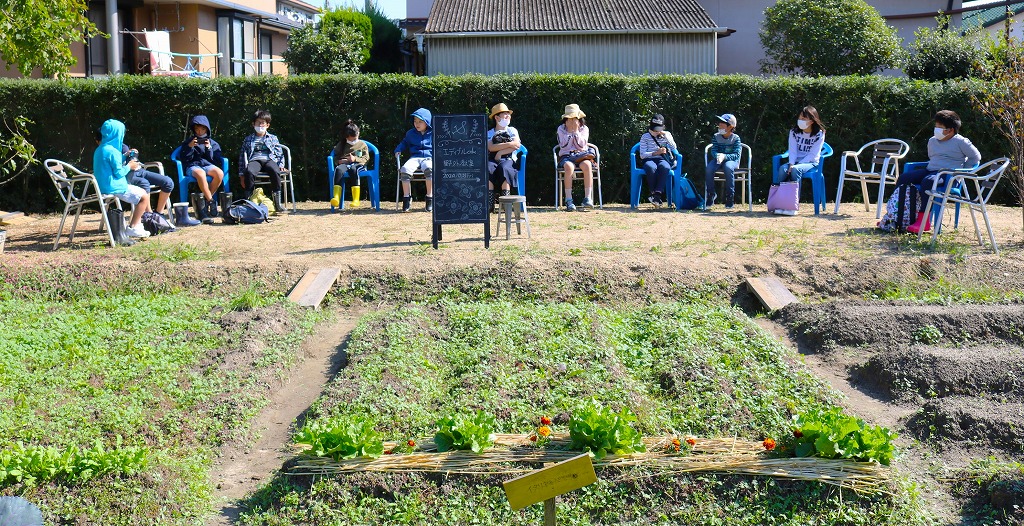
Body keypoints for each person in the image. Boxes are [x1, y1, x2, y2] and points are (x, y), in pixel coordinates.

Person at [94, 130, 175, 216]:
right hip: (126, 176)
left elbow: (131, 159)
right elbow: (116, 171)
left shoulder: (121, 146)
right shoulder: (103, 152)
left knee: (168, 182)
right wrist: (129, 165)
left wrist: (132, 155)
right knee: (144, 183)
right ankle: (149, 215)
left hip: (139, 170)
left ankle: (159, 213)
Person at [93, 119, 151, 241]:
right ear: (117, 134)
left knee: (140, 193)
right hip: (114, 186)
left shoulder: (101, 149)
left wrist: (125, 155)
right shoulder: (112, 151)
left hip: (102, 186)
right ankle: (133, 227)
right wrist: (130, 166)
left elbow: (109, 163)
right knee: (144, 196)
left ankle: (137, 225)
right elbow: (119, 173)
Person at [894, 110, 981, 190]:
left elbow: (975, 157)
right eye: (936, 126)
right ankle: (899, 207)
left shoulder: (961, 142)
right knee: (903, 178)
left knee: (928, 181)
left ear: (950, 130)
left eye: (940, 127)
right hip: (930, 171)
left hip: (948, 176)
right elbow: (932, 157)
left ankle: (926, 207)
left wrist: (960, 171)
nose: (936, 129)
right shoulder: (932, 141)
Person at [179, 115, 224, 224]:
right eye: (197, 129)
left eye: (202, 129)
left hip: (207, 165)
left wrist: (209, 148)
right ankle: (211, 201)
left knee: (219, 173)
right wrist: (189, 147)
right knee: (200, 174)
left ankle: (204, 200)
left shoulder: (213, 143)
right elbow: (184, 158)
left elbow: (215, 160)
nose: (199, 132)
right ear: (193, 129)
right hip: (193, 166)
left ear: (207, 129)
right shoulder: (189, 141)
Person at [239, 109, 286, 212]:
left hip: (269, 159)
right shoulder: (248, 139)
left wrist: (281, 164)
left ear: (267, 125)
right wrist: (241, 174)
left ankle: (277, 203)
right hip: (255, 160)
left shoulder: (273, 138)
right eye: (258, 123)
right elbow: (243, 156)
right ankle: (250, 202)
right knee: (249, 171)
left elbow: (279, 153)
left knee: (275, 170)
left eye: (263, 123)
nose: (260, 125)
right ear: (253, 124)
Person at [394, 108, 433, 212]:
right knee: (405, 170)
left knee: (429, 169)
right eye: (415, 121)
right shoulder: (410, 133)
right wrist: (398, 150)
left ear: (427, 122)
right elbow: (404, 143)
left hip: (429, 157)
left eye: (420, 122)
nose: (417, 124)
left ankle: (430, 197)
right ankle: (407, 197)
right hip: (415, 157)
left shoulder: (434, 133)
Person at [557, 104, 595, 211]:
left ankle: (588, 198)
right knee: (569, 167)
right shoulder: (561, 129)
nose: (573, 121)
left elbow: (582, 145)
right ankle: (569, 200)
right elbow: (564, 145)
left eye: (575, 118)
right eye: (570, 118)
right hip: (566, 156)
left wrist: (577, 132)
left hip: (581, 155)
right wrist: (569, 132)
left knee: (587, 165)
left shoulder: (584, 129)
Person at [487, 103, 523, 212]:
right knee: (488, 168)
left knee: (505, 169)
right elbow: (490, 147)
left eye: (509, 115)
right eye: (505, 115)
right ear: (497, 118)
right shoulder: (489, 132)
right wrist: (509, 144)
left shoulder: (512, 130)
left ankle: (506, 204)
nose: (508, 117)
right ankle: (490, 204)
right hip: (492, 159)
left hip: (508, 160)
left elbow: (516, 145)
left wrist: (500, 153)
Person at [637, 114, 677, 208]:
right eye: (654, 128)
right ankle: (654, 193)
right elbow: (642, 155)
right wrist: (655, 152)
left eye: (657, 129)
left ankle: (657, 195)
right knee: (651, 167)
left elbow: (674, 148)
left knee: (665, 167)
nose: (655, 131)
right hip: (649, 159)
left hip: (662, 159)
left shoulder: (666, 134)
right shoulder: (645, 136)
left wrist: (666, 136)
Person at [778, 106, 826, 183]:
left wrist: (796, 165)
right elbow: (792, 150)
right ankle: (778, 192)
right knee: (782, 169)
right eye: (799, 118)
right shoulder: (793, 132)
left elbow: (813, 154)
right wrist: (791, 164)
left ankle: (795, 194)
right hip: (795, 162)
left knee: (795, 170)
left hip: (811, 163)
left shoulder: (819, 134)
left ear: (811, 121)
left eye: (803, 119)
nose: (800, 120)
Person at [704, 113, 741, 209]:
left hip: (731, 161)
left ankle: (730, 197)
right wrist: (717, 156)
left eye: (722, 123)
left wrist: (725, 156)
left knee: (728, 167)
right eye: (719, 123)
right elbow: (714, 150)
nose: (719, 125)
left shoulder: (736, 138)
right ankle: (711, 194)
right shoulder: (716, 136)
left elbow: (736, 155)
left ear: (730, 126)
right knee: (709, 168)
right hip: (718, 160)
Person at [331, 119, 370, 206]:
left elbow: (366, 158)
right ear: (346, 137)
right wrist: (339, 161)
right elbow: (335, 157)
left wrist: (355, 159)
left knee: (354, 170)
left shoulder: (362, 144)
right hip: (344, 164)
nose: (352, 142)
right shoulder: (341, 144)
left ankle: (356, 199)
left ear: (358, 133)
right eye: (350, 140)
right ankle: (336, 197)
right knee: (338, 170)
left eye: (354, 140)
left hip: (358, 165)